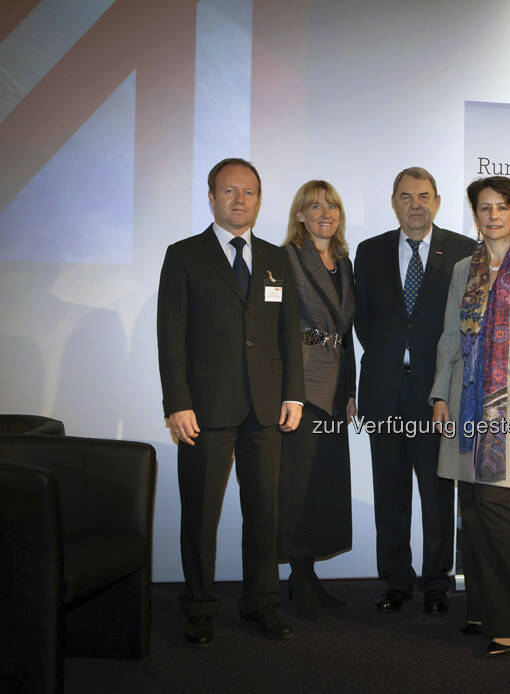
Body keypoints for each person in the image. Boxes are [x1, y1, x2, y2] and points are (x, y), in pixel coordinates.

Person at [157, 158, 304, 646]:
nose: (240, 201)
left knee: (264, 512)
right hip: (204, 409)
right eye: (230, 191)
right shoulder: (183, 256)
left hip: (266, 409)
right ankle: (199, 607)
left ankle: (261, 603)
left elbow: (288, 333)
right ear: (212, 196)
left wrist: (294, 395)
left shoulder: (275, 258)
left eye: (250, 192)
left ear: (260, 200)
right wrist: (177, 402)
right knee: (200, 514)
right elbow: (170, 336)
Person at [430, 175, 510, 658]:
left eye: (502, 206)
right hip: (464, 402)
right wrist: (439, 395)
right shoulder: (463, 267)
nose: (493, 215)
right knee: (474, 508)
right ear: (475, 214)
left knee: (495, 507)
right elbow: (448, 337)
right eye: (484, 207)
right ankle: (482, 609)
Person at [354, 167, 475, 614]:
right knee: (390, 493)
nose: (415, 204)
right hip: (385, 390)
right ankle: (397, 580)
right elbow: (362, 321)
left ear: (438, 201)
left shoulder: (462, 250)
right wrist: (392, 357)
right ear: (394, 202)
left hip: (436, 394)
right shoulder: (368, 253)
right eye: (406, 196)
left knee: (438, 492)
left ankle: (437, 581)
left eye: (423, 196)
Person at [278, 180, 357, 620]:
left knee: (323, 487)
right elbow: (285, 328)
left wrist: (350, 390)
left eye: (332, 205)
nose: (325, 212)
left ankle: (305, 578)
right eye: (314, 206)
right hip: (302, 391)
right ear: (301, 215)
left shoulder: (343, 262)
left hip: (334, 391)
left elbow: (345, 337)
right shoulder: (285, 258)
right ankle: (300, 577)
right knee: (298, 487)